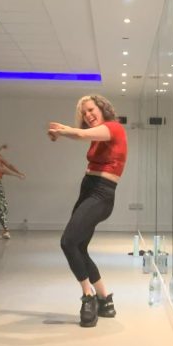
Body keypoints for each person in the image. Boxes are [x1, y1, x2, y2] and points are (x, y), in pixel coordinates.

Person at [48, 96, 127, 328]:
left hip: (102, 193)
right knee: (79, 247)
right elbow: (84, 135)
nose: (88, 115)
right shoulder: (97, 137)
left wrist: (61, 130)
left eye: (91, 110)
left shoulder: (113, 128)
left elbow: (81, 134)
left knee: (67, 242)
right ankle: (105, 299)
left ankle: (88, 296)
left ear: (102, 109)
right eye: (84, 113)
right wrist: (62, 133)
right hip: (88, 189)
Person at [0, 142, 25, 239]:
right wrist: (16, 175)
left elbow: (9, 165)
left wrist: (19, 172)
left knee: (4, 209)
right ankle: (6, 230)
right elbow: (1, 170)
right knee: (0, 207)